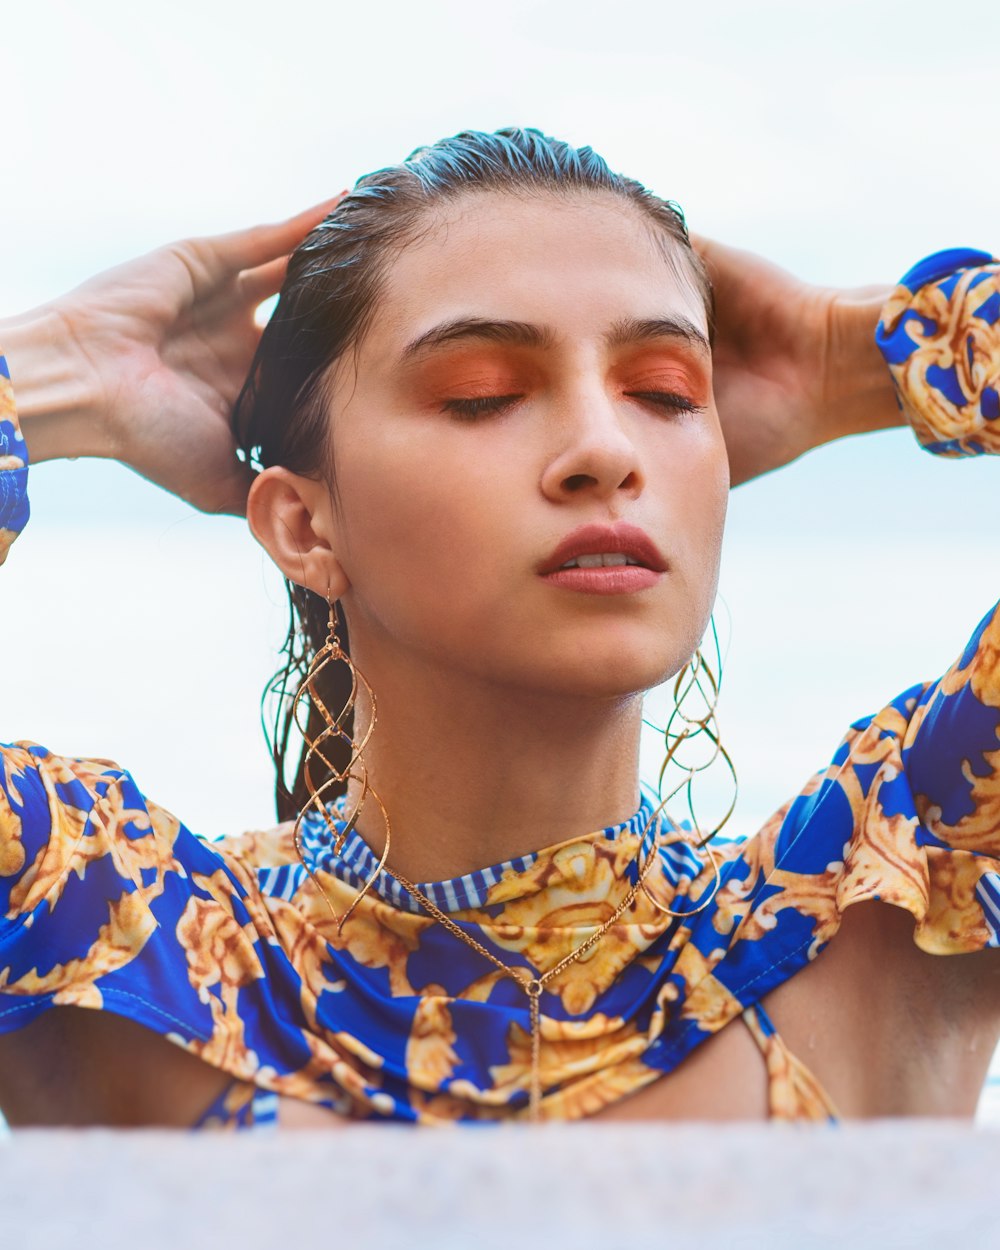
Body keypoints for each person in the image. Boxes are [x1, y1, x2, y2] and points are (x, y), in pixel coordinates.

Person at [0, 128, 997, 1130]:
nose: (605, 449)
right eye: (482, 396)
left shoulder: (872, 901)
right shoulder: (116, 923)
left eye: (665, 392)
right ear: (304, 524)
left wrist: (859, 350)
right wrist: (59, 372)